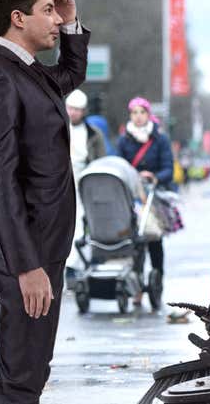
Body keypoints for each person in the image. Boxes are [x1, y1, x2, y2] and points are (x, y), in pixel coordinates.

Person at [0, 0, 89, 403]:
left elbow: (71, 77)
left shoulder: (31, 73)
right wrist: (26, 267)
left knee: (32, 371)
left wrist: (73, 25)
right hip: (28, 255)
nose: (55, 20)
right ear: (18, 18)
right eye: (47, 11)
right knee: (22, 377)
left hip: (45, 249)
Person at [117, 97, 174, 303]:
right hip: (132, 196)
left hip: (153, 195)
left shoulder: (160, 139)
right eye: (134, 113)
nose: (138, 117)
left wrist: (155, 176)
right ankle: (137, 287)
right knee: (134, 242)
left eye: (142, 112)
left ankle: (157, 278)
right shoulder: (124, 140)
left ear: (148, 115)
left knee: (154, 240)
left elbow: (169, 167)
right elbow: (119, 164)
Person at [65, 89, 105, 288]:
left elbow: (100, 161)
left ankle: (74, 266)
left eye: (77, 110)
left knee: (79, 223)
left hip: (85, 180)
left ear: (84, 111)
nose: (73, 113)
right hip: (60, 179)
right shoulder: (56, 128)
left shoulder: (93, 134)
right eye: (71, 108)